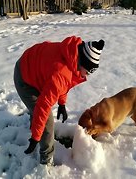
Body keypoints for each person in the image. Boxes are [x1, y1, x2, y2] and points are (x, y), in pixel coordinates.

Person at [13, 35, 105, 166]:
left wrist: (62, 103)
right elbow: (44, 104)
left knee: (40, 112)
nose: (87, 75)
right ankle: (46, 159)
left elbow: (65, 83)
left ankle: (34, 128)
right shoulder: (61, 73)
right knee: (47, 121)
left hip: (35, 68)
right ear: (82, 62)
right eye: (89, 71)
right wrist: (36, 137)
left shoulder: (72, 56)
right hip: (25, 77)